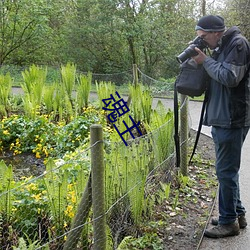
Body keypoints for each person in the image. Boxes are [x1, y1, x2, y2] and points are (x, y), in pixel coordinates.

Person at [192, 15, 250, 238]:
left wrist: (205, 61)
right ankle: (237, 214)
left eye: (204, 37)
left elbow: (229, 77)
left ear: (216, 32)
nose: (203, 41)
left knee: (225, 171)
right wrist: (202, 60)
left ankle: (228, 223)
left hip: (232, 118)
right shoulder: (221, 46)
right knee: (227, 171)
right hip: (222, 117)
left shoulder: (238, 44)